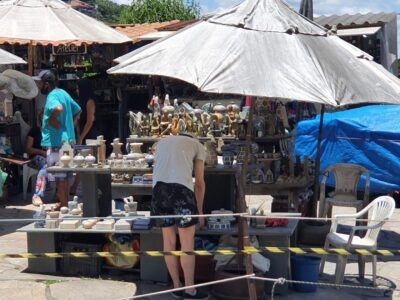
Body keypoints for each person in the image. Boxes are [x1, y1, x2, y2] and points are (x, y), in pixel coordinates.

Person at [151, 133, 208, 300]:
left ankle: (176, 286)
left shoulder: (161, 143)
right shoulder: (198, 145)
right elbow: (199, 182)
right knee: (187, 242)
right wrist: (200, 210)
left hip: (158, 191)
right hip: (181, 191)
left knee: (168, 240)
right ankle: (190, 290)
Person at [32, 70, 81, 210]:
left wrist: (53, 119)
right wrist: (70, 125)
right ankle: (63, 203)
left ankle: (64, 204)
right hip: (68, 142)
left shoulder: (52, 96)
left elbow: (58, 108)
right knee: (64, 176)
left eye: (40, 83)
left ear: (47, 84)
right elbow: (78, 110)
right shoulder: (63, 93)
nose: (39, 86)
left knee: (59, 176)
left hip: (56, 143)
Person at [69, 78, 99, 195]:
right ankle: (75, 187)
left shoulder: (90, 101)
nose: (76, 90)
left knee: (89, 161)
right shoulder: (83, 101)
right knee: (83, 161)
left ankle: (83, 187)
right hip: (86, 133)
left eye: (78, 88)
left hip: (91, 134)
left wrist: (81, 137)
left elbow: (90, 120)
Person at [26, 112, 47, 206]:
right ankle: (37, 195)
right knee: (46, 166)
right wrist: (42, 152)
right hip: (35, 158)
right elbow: (28, 149)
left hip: (49, 156)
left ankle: (59, 194)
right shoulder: (34, 131)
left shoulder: (52, 131)